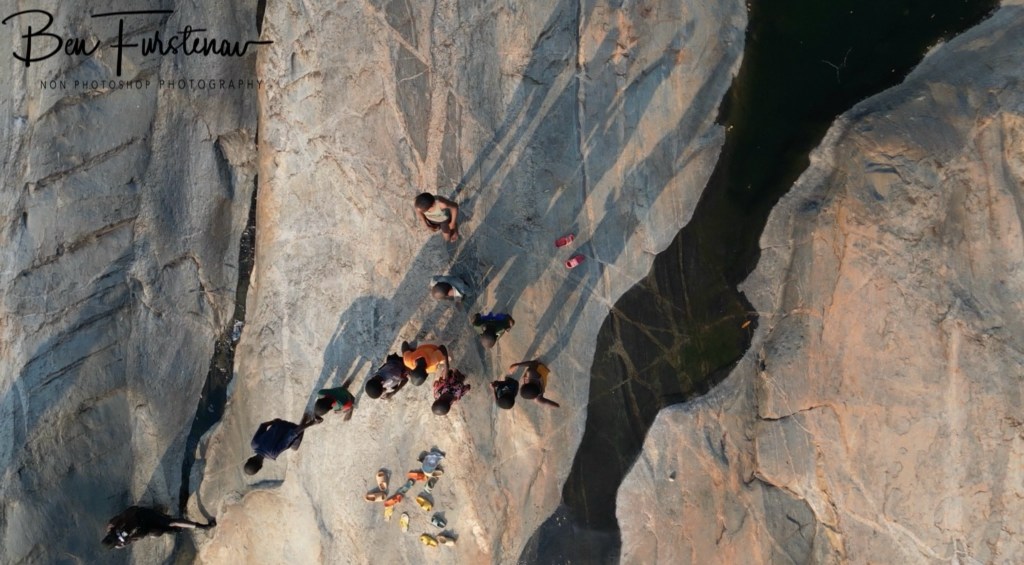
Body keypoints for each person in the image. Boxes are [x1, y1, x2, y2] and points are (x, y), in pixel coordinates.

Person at [102, 506, 214, 549]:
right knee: (159, 532)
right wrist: (143, 534)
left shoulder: (112, 525)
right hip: (143, 529)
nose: (116, 537)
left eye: (112, 536)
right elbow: (134, 539)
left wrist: (134, 511)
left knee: (170, 522)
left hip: (141, 515)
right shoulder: (119, 545)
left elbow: (125, 514)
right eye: (114, 540)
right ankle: (171, 529)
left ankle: (203, 527)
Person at [244, 416, 317, 475]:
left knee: (294, 447)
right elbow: (263, 425)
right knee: (287, 440)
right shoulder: (253, 444)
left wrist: (311, 423)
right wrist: (274, 421)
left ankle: (304, 421)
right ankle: (303, 422)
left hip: (292, 427)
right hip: (280, 423)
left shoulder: (272, 454)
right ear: (250, 459)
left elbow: (290, 437)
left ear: (260, 466)